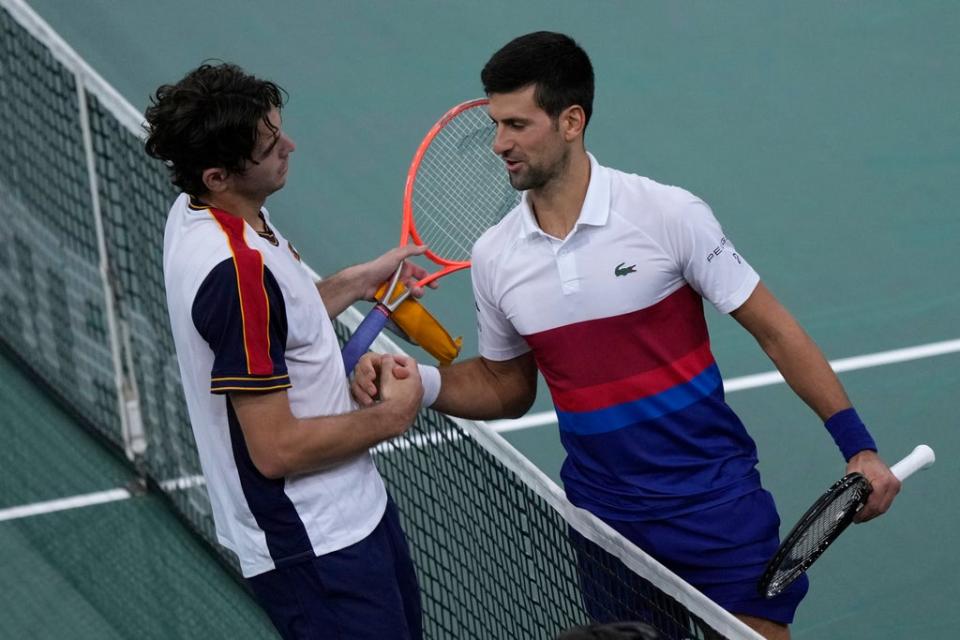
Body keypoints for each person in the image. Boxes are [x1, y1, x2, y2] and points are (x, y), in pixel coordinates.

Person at [352, 32, 901, 640]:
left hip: (715, 507)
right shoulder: (495, 256)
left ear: (571, 121)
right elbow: (505, 386)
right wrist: (421, 383)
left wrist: (859, 448)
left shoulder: (668, 215)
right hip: (607, 525)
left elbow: (776, 332)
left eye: (515, 124)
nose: (499, 143)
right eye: (494, 123)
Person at [147, 62, 426, 640]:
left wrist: (359, 280)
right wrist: (393, 415)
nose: (290, 146)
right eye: (271, 144)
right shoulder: (234, 272)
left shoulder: (206, 212)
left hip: (353, 512)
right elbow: (274, 450)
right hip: (314, 545)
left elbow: (277, 321)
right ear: (220, 174)